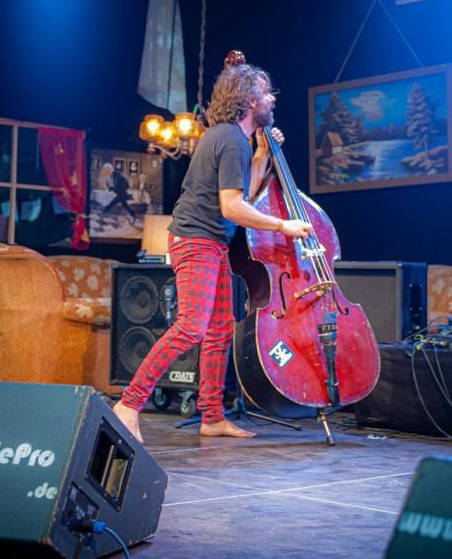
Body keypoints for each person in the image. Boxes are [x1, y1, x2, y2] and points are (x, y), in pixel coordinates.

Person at [112, 60, 313, 442]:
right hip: (196, 240)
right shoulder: (229, 139)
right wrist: (283, 225)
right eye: (266, 92)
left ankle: (212, 416)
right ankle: (128, 404)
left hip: (212, 243)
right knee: (191, 327)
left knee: (220, 329)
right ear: (250, 100)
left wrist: (261, 154)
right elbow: (233, 207)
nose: (272, 98)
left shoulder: (234, 139)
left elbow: (245, 193)